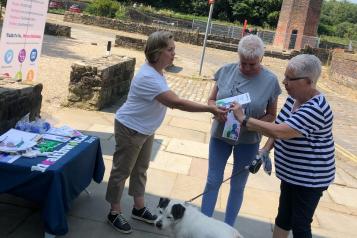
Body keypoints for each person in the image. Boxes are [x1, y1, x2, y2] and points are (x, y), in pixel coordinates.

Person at [105, 31, 227, 234]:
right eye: (170, 50)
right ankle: (114, 212)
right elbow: (175, 102)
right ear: (156, 53)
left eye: (174, 50)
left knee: (140, 169)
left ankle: (138, 207)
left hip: (145, 129)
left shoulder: (157, 72)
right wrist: (210, 108)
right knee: (121, 172)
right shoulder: (148, 77)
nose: (173, 54)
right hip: (130, 128)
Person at [231, 54, 335, 238]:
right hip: (292, 174)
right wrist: (265, 150)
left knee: (300, 225)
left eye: (290, 78)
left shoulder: (316, 108)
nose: (284, 82)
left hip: (310, 178)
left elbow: (281, 131)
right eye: (285, 76)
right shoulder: (294, 98)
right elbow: (278, 125)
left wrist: (244, 119)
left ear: (308, 81)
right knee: (284, 217)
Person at [201, 34, 282, 226]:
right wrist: (216, 110)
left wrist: (248, 121)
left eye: (252, 64)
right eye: (243, 62)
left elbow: (272, 115)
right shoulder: (226, 71)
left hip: (249, 140)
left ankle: (229, 228)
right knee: (213, 180)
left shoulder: (271, 81)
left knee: (237, 186)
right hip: (220, 135)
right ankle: (203, 225)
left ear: (261, 59)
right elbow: (211, 100)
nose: (246, 67)